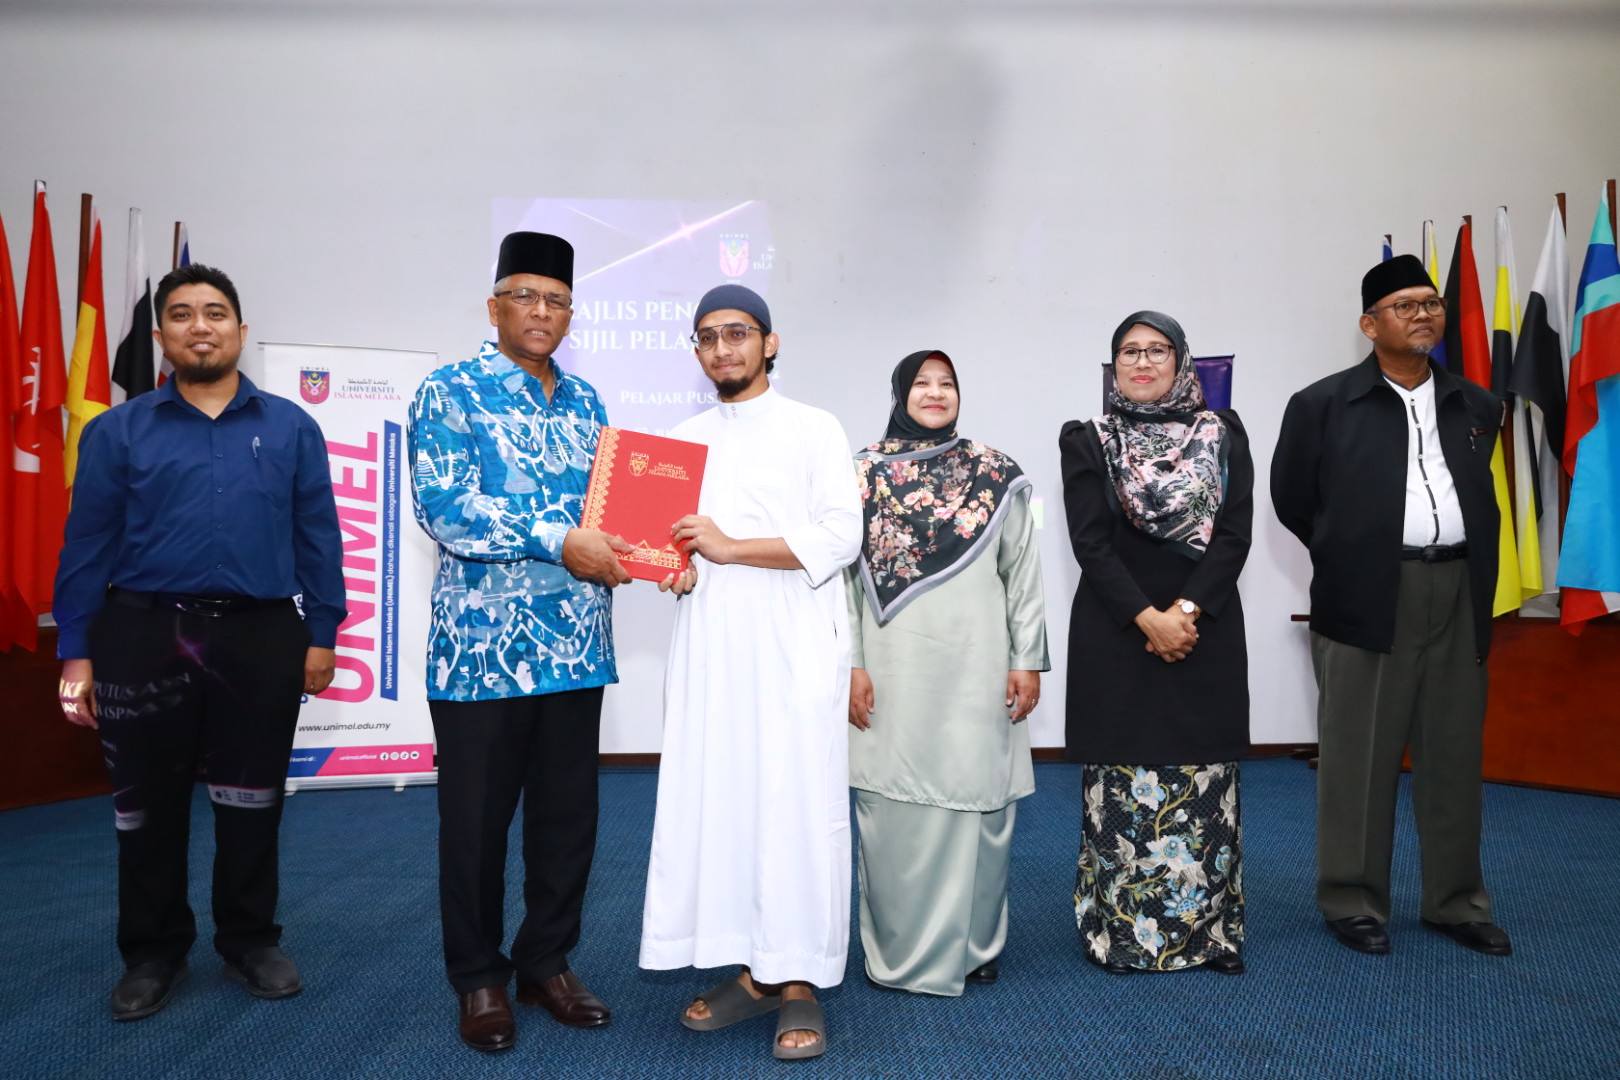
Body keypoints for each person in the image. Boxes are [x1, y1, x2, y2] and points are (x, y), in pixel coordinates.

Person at [53, 264, 346, 1020]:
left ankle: (250, 939)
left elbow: (319, 537)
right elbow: (86, 546)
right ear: (162, 336)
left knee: (253, 797)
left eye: (215, 312)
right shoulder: (117, 431)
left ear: (241, 331)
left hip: (261, 634)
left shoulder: (292, 428)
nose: (200, 326)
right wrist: (76, 652)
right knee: (146, 804)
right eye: (182, 314)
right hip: (144, 631)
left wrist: (322, 632)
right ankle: (152, 951)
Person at [407, 232, 633, 1053]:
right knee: (475, 826)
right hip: (481, 654)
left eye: (557, 300)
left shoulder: (587, 402)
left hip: (575, 646)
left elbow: (609, 513)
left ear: (571, 314)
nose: (542, 311)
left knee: (567, 822)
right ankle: (478, 978)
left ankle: (546, 962)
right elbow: (445, 508)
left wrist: (649, 552)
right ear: (494, 305)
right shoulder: (449, 391)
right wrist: (558, 540)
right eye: (526, 296)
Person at [640, 284, 861, 1062]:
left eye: (736, 333)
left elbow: (841, 534)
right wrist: (676, 568)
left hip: (794, 644)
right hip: (712, 648)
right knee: (723, 803)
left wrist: (731, 548)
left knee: (794, 807)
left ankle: (799, 982)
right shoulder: (680, 441)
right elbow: (671, 547)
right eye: (706, 337)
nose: (722, 348)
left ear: (769, 342)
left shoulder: (814, 427)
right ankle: (753, 970)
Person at [1271, 254, 1510, 958]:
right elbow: (1294, 500)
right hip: (1367, 594)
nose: (1423, 315)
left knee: (1454, 753)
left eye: (1431, 303)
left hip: (1459, 589)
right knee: (1360, 754)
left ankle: (1455, 902)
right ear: (1369, 325)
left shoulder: (1477, 404)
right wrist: (1353, 553)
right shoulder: (1322, 405)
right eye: (1405, 306)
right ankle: (1352, 900)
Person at [845, 349, 1048, 996]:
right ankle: (902, 954)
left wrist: (1027, 658)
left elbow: (1023, 574)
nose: (935, 393)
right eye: (922, 383)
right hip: (892, 668)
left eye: (947, 383)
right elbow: (843, 586)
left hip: (978, 663)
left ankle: (975, 947)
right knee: (894, 805)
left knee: (979, 798)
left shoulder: (996, 473)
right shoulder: (860, 474)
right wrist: (850, 665)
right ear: (900, 393)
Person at [1059, 310, 1253, 975]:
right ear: (1114, 366)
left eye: (1157, 350)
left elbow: (1235, 533)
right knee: (1124, 780)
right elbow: (1089, 542)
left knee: (1204, 775)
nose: (1142, 362)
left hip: (1204, 627)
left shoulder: (1223, 434)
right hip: (1118, 630)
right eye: (1129, 352)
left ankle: (1211, 935)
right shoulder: (1088, 439)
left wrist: (1185, 611)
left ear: (1181, 361)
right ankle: (1121, 935)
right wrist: (1149, 618)